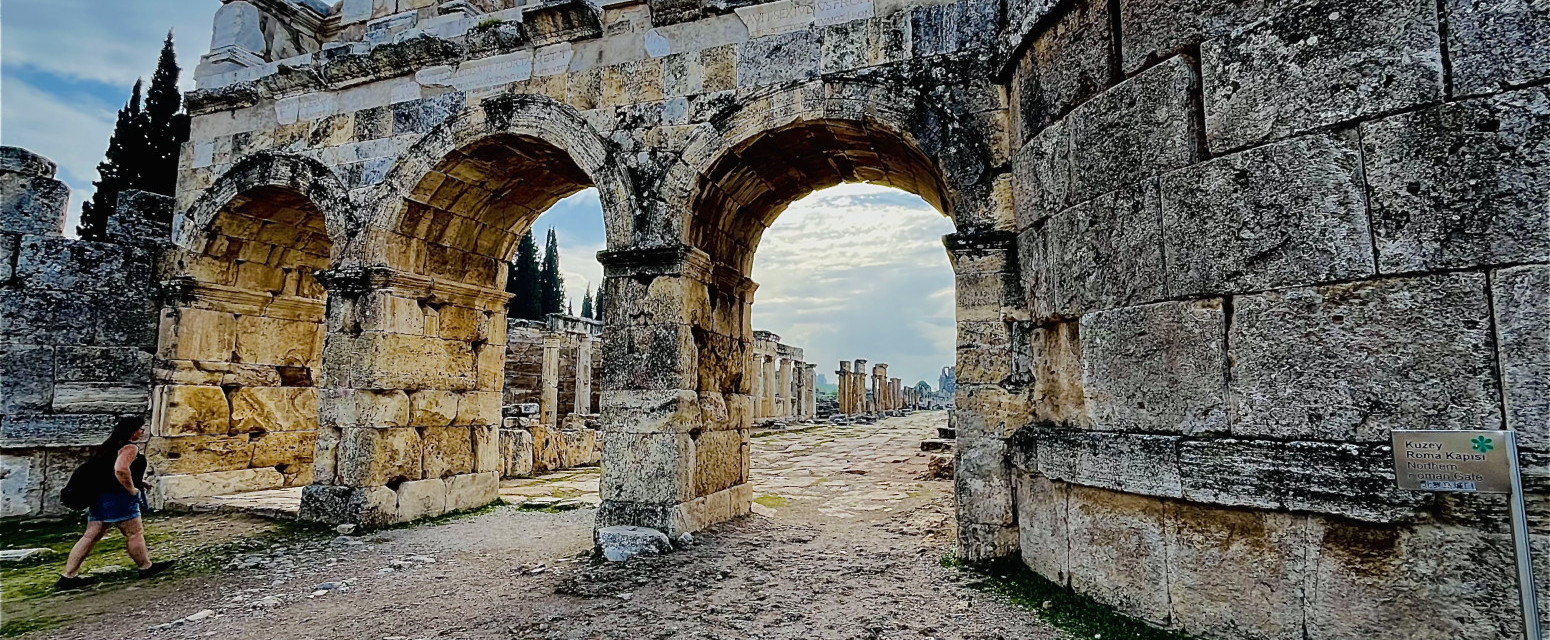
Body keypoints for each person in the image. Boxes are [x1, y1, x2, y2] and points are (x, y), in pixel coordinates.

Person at [54, 416, 174, 590]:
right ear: (132, 432)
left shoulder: (108, 446)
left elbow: (105, 471)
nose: (142, 431)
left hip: (100, 497)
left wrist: (140, 482)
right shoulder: (129, 448)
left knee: (90, 536)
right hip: (119, 497)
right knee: (134, 533)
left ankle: (68, 576)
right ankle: (145, 567)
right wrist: (132, 489)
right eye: (140, 429)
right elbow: (120, 469)